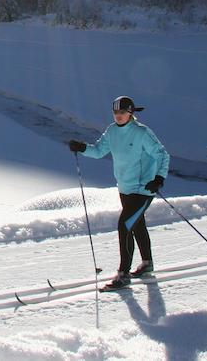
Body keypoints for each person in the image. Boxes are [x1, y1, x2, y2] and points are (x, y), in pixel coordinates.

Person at [68, 95, 170, 291]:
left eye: (122, 112)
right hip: (124, 188)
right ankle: (147, 263)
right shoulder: (112, 131)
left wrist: (159, 178)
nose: (118, 116)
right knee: (137, 225)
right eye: (115, 112)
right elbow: (98, 151)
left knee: (125, 226)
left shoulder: (141, 133)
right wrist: (82, 148)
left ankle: (123, 274)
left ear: (130, 113)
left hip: (143, 189)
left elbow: (162, 154)